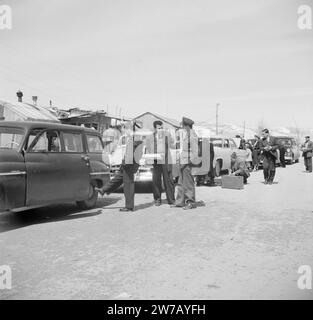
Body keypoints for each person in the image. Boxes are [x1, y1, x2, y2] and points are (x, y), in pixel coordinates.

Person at [96, 120, 144, 212]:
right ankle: (103, 190)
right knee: (118, 178)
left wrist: (127, 164)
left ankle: (129, 206)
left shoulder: (134, 139)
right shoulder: (135, 138)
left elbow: (133, 154)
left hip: (129, 164)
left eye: (124, 129)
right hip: (128, 163)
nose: (124, 131)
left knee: (128, 185)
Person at [171, 117, 201, 210]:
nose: (182, 127)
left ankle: (190, 202)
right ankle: (179, 202)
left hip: (187, 163)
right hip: (183, 162)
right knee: (180, 183)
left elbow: (195, 152)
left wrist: (188, 162)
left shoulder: (192, 136)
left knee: (188, 184)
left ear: (187, 126)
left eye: (183, 126)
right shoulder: (187, 135)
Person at [145, 120, 175, 206]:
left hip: (166, 161)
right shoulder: (149, 137)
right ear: (155, 129)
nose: (161, 129)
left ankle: (171, 200)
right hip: (156, 161)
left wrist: (169, 138)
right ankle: (157, 199)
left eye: (162, 128)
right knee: (156, 181)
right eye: (159, 128)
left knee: (168, 181)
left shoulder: (167, 135)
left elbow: (172, 145)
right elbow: (148, 148)